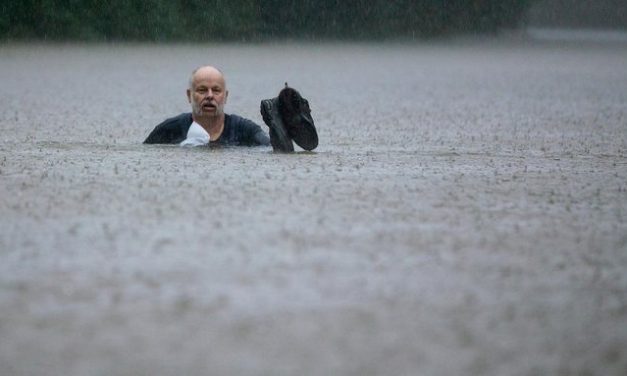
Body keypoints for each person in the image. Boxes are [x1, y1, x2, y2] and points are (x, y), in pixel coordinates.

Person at [144, 65, 318, 152]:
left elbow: (265, 148)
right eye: (202, 90)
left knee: (274, 150)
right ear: (189, 96)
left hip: (256, 147)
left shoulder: (244, 129)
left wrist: (280, 146)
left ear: (225, 96)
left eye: (216, 90)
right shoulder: (169, 130)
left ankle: (284, 117)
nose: (210, 95)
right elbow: (143, 153)